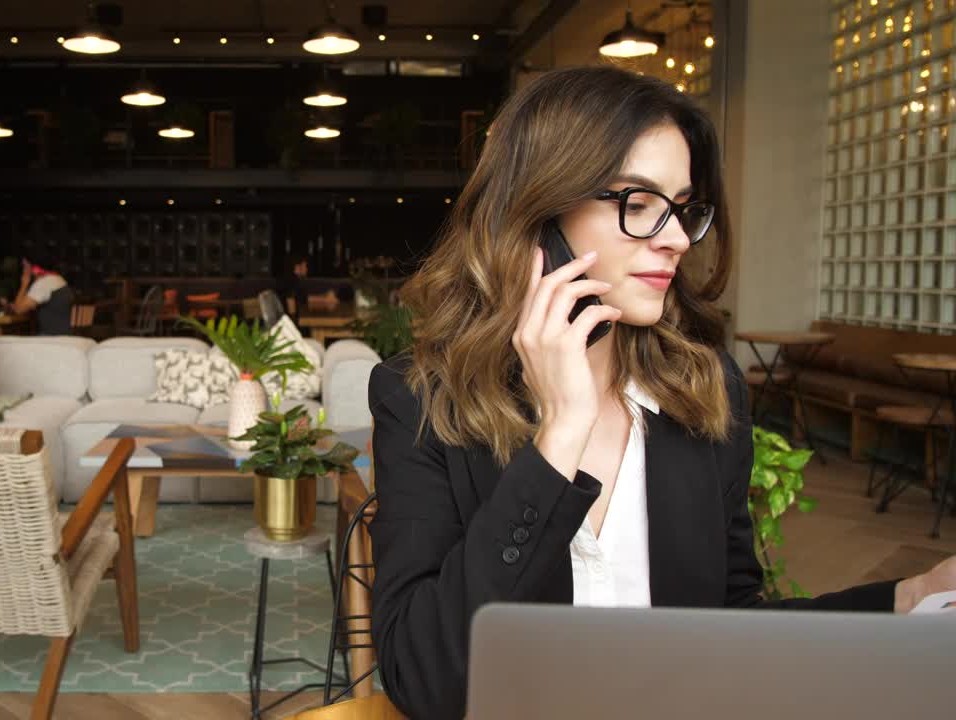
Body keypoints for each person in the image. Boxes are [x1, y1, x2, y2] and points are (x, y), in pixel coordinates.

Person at [366, 66, 956, 720]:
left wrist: (907, 597)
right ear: (537, 214)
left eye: (682, 208)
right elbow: (424, 682)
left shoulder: (703, 391)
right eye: (638, 204)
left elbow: (728, 622)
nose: (675, 238)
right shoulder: (422, 402)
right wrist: (560, 435)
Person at [6, 252, 73, 336]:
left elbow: (18, 310)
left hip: (50, 338)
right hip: (63, 335)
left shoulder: (44, 283)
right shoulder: (58, 279)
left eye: (25, 267)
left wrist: (24, 283)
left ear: (35, 269)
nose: (23, 270)